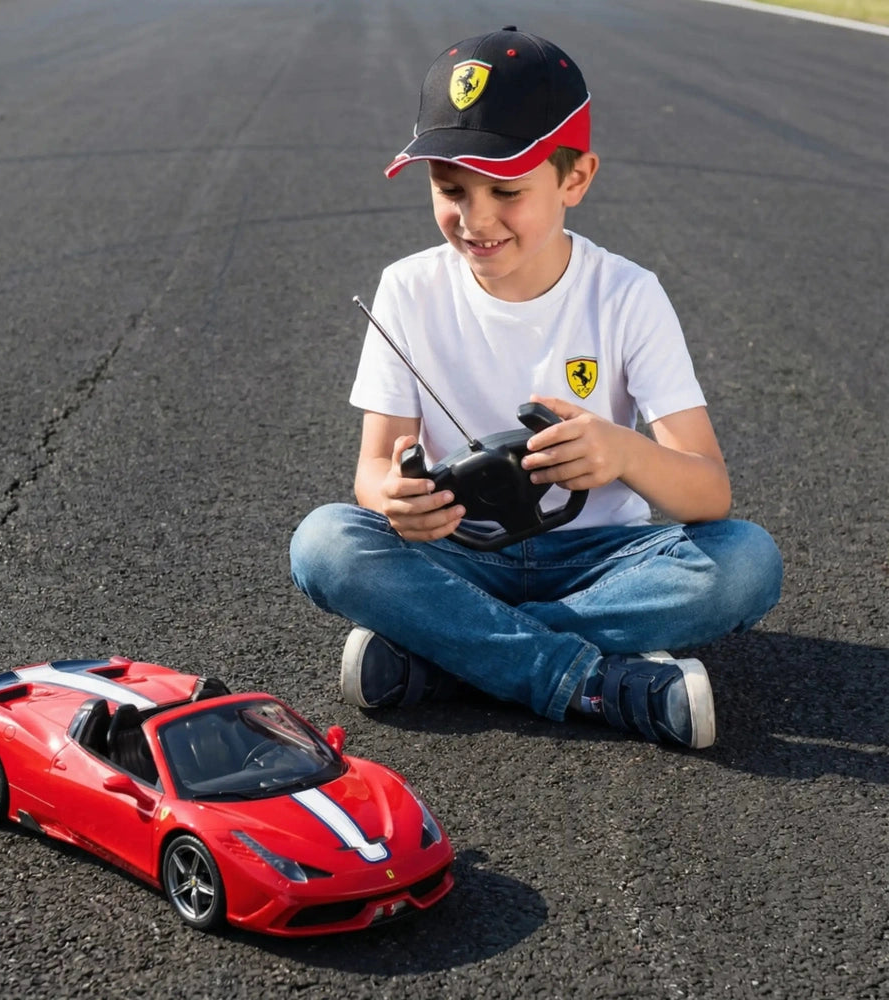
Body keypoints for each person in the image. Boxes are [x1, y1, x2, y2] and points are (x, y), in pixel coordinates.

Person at [289, 26, 782, 750]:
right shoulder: (407, 289)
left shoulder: (626, 295)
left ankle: (448, 656)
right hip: (458, 555)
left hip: (602, 557)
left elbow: (709, 494)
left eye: (506, 191)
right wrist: (392, 499)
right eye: (450, 190)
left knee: (745, 563)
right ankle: (593, 678)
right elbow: (375, 469)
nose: (475, 218)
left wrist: (621, 453)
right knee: (325, 543)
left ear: (575, 179)